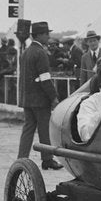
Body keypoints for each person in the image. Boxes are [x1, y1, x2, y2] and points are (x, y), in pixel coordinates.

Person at [18, 21, 64, 170]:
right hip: (40, 100)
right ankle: (47, 159)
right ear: (39, 35)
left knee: (28, 129)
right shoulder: (40, 52)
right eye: (46, 34)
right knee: (44, 130)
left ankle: (21, 159)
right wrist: (53, 97)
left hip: (27, 99)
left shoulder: (26, 52)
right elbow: (45, 79)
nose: (49, 36)